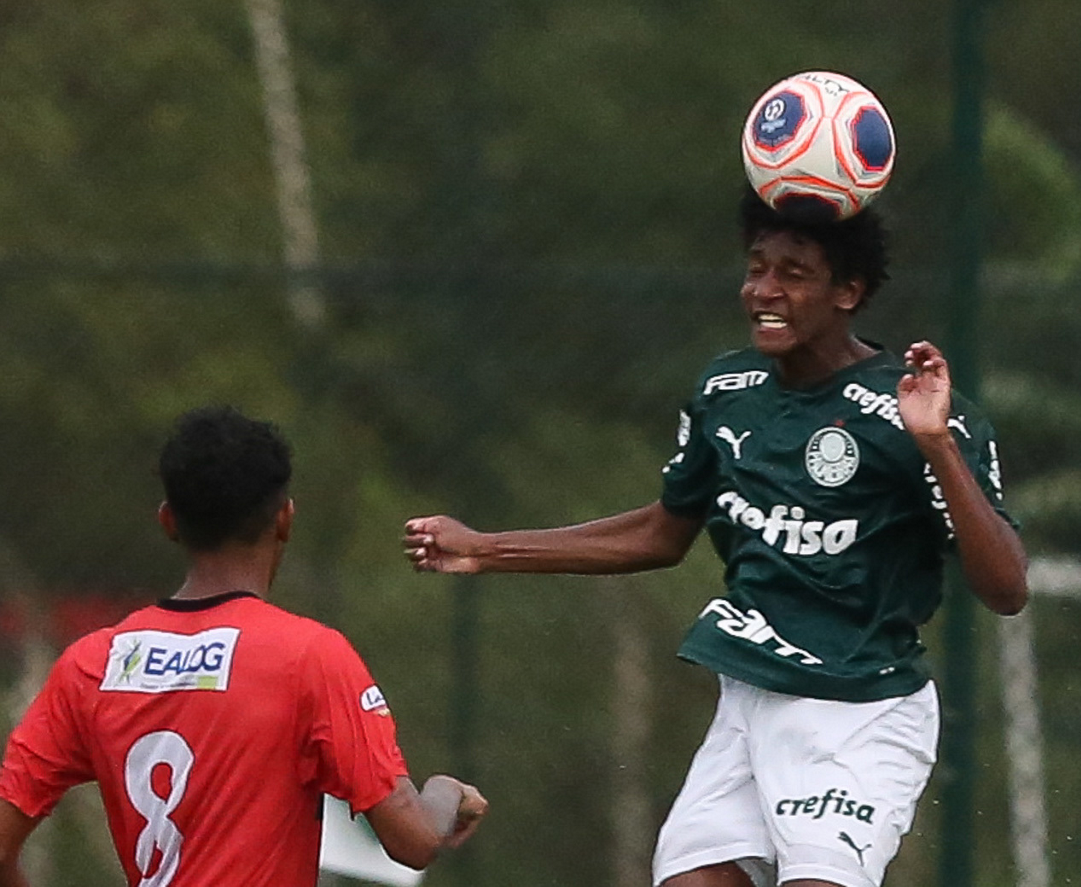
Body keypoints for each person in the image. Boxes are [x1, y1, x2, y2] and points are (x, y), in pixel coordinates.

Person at [402, 187, 1027, 887]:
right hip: (748, 703)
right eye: (756, 268)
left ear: (848, 292)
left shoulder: (913, 410)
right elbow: (662, 532)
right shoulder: (728, 391)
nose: (764, 290)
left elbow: (1007, 588)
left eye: (793, 274)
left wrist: (936, 445)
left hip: (858, 716)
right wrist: (484, 548)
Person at [0, 405, 487, 887]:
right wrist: (446, 793)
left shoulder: (93, 664)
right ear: (285, 519)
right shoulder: (307, 657)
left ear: (168, 521)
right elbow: (413, 840)